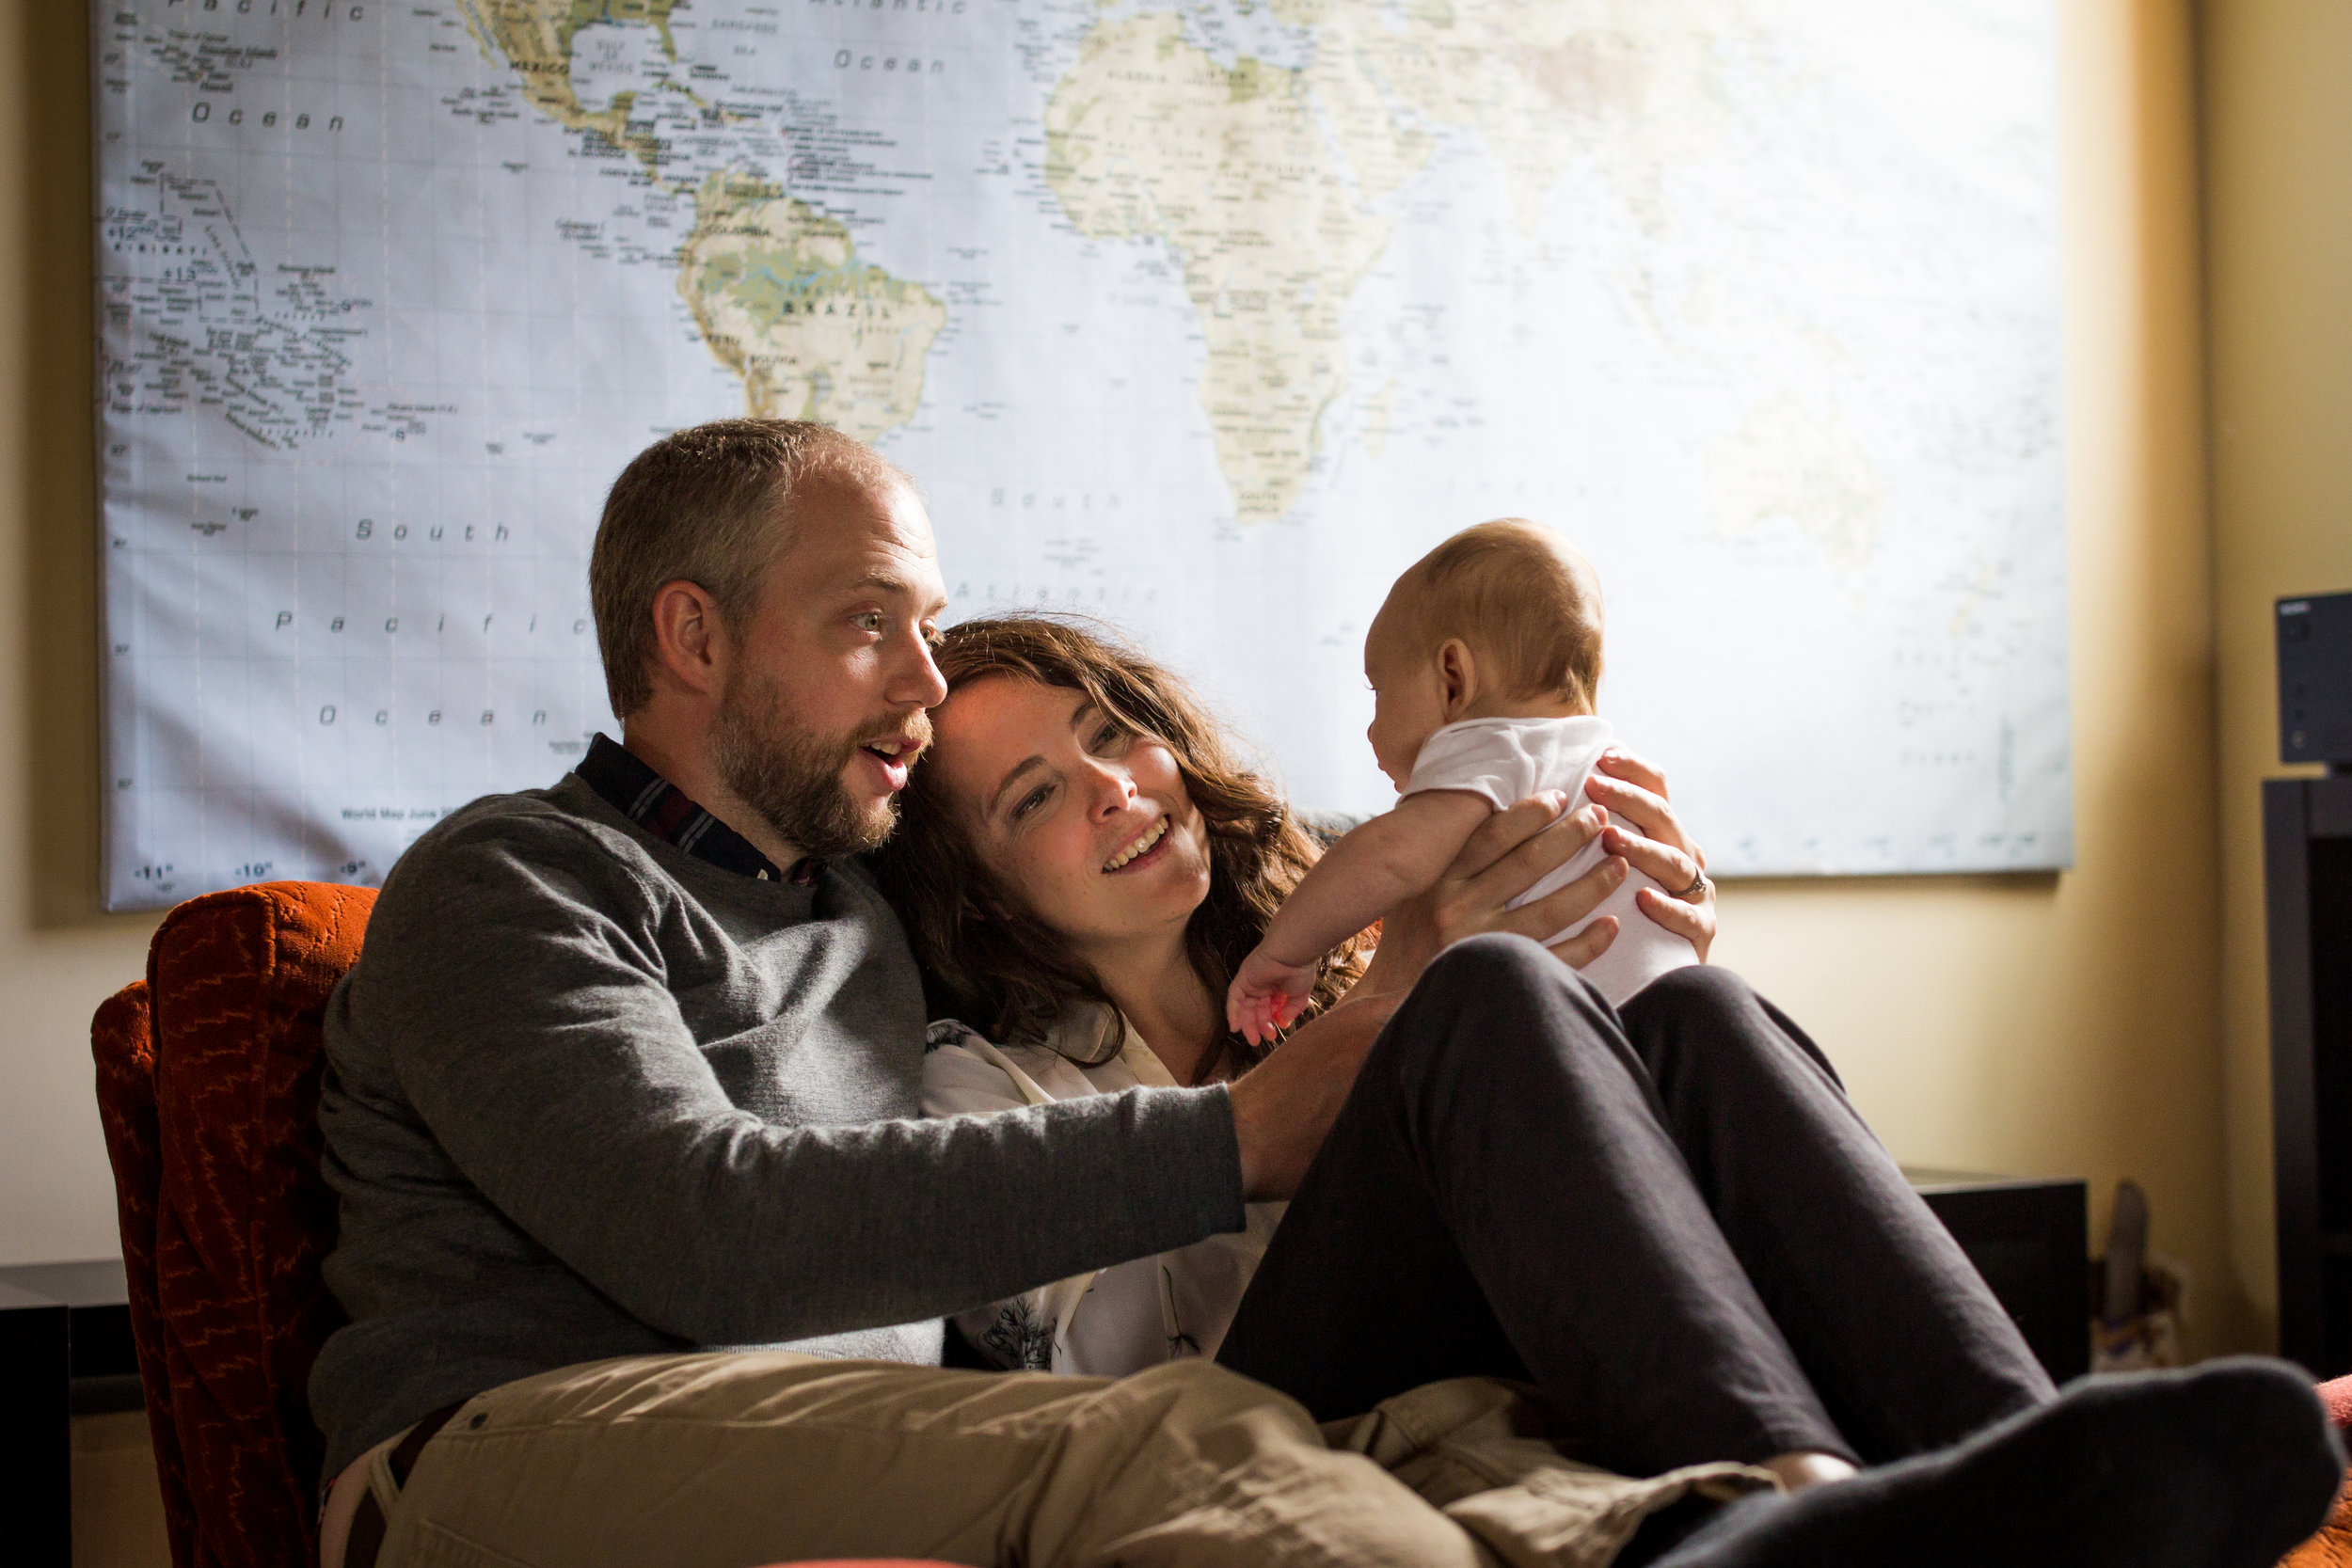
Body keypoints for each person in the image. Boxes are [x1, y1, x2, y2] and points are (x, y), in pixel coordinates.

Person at [309, 417, 2338, 1568]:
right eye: (872, 630)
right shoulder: (517, 880)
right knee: (1168, 1437)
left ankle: (1897, 1503)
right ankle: (1826, 1515)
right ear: (687, 630)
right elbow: (709, 1225)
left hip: (848, 1393)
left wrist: (1600, 931)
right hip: (519, 1427)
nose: (922, 696)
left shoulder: (848, 912)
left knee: (1494, 1358)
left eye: (942, 644)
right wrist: (1248, 1121)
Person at [882, 610, 2343, 1565]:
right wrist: (1396, 1017)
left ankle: (2042, 1460)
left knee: (1701, 1009)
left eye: (1110, 733)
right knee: (1489, 990)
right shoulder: (978, 1083)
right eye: (1034, 798)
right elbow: (1083, 1399)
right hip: (1248, 1417)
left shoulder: (1326, 925)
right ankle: (1784, 1505)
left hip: (1482, 1337)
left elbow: (1586, 1187)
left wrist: (1637, 958)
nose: (1117, 787)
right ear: (980, 895)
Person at [1227, 516, 1694, 1045]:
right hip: (1669, 1026)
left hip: (1569, 1040)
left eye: (1378, 692)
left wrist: (1283, 953)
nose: (1371, 728)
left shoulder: (1496, 747)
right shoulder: (1608, 761)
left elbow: (1390, 855)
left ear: (1453, 679)